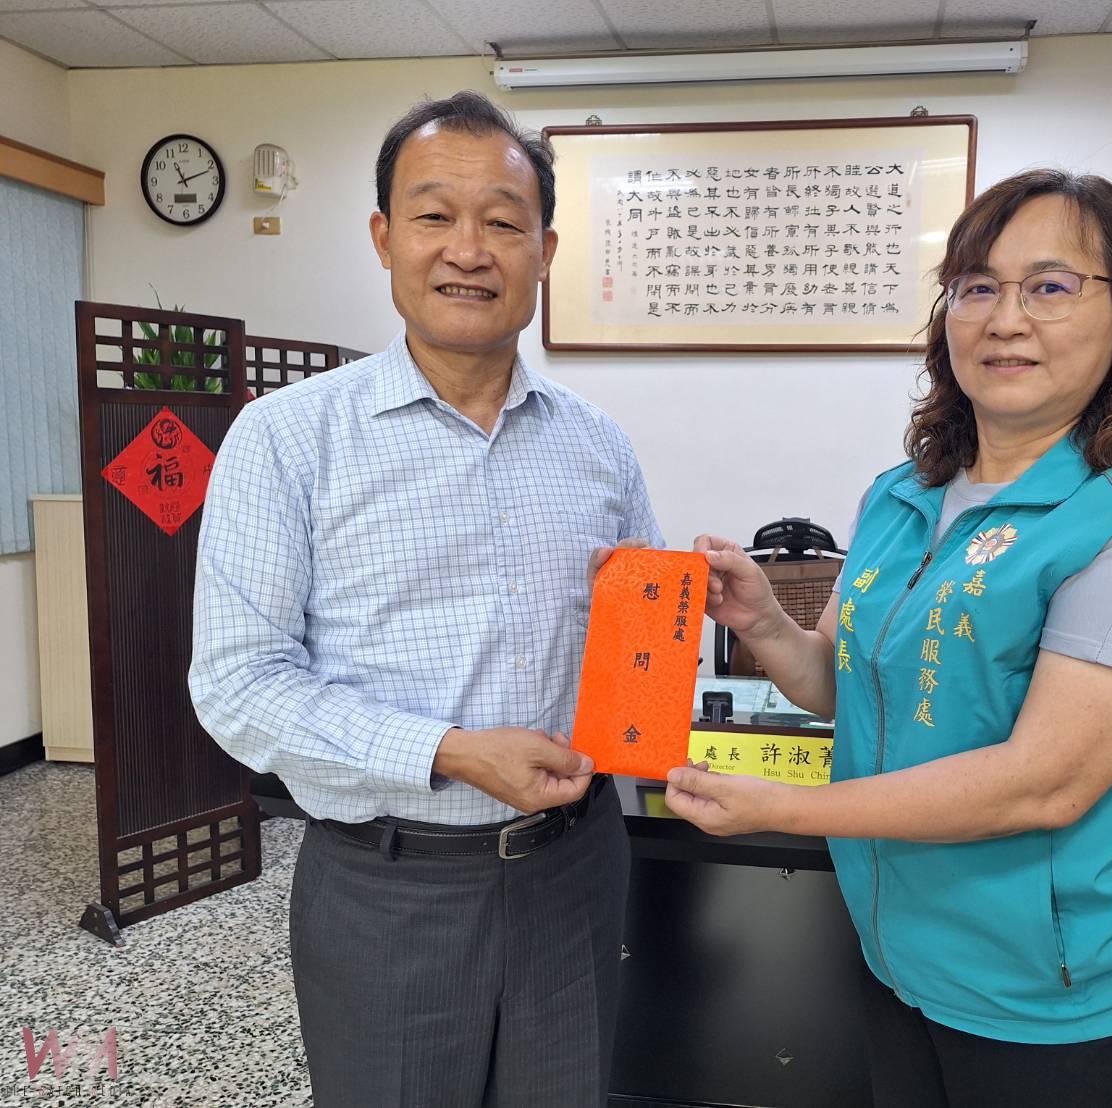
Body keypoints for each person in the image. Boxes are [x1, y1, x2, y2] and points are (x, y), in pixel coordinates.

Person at [666, 169, 1112, 1106]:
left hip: (1065, 996)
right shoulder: (903, 494)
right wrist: (764, 623)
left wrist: (785, 808)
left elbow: (1045, 782)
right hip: (905, 958)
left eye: (1050, 285)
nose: (1005, 319)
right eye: (977, 286)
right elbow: (847, 686)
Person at [189, 90, 660, 1107]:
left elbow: (636, 650)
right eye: (434, 215)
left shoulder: (599, 446)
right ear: (384, 238)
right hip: (389, 886)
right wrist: (449, 750)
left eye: (503, 222)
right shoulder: (286, 439)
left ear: (544, 251)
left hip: (575, 871)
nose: (468, 250)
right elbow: (238, 683)